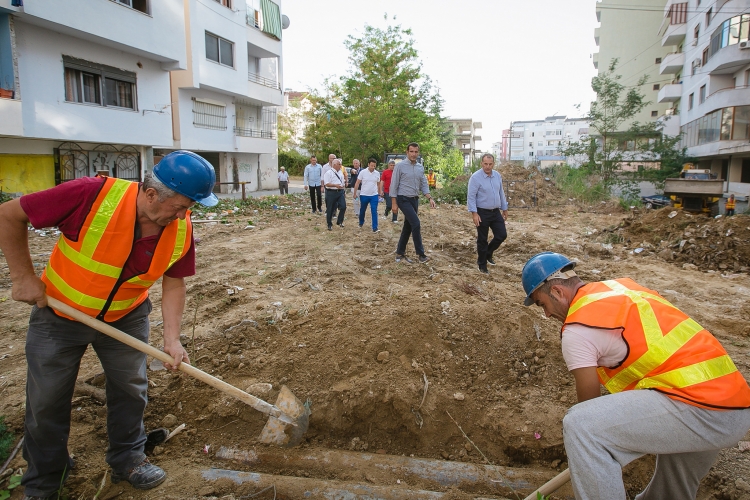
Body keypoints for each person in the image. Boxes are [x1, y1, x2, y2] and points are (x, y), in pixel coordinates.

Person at [0, 151, 219, 499]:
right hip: (59, 315)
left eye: (189, 207)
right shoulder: (90, 195)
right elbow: (10, 215)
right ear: (151, 195)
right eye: (180, 206)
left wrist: (172, 339)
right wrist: (23, 275)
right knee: (46, 401)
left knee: (131, 389)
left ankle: (128, 458)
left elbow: (174, 282)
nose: (183, 214)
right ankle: (44, 480)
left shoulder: (181, 227)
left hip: (125, 316)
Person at [521, 252, 750, 500]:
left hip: (702, 410)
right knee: (668, 494)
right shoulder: (619, 288)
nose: (545, 314)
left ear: (557, 292)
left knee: (581, 426)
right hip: (732, 403)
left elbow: (589, 409)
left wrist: (589, 453)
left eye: (542, 304)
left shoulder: (577, 329)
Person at [390, 143, 436, 264]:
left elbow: (423, 184)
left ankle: (400, 253)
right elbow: (393, 185)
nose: (414, 154)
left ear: (418, 153)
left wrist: (430, 198)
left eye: (416, 152)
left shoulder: (420, 167)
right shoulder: (400, 166)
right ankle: (421, 254)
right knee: (416, 223)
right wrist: (394, 203)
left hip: (414, 200)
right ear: (407, 152)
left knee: (408, 226)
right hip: (403, 199)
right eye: (411, 151)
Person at [467, 153, 508, 274]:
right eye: (485, 164)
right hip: (482, 212)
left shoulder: (497, 176)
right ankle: (482, 265)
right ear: (481, 164)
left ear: (493, 164)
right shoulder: (475, 178)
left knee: (501, 235)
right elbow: (471, 197)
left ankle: (488, 253)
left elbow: (501, 192)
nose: (487, 167)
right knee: (482, 239)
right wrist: (474, 213)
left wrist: (504, 208)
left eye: (490, 164)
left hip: (495, 212)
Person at [353, 158, 382, 233]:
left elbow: (378, 185)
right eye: (371, 165)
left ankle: (375, 227)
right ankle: (361, 222)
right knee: (362, 210)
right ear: (368, 164)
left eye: (374, 166)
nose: (373, 167)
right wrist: (355, 193)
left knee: (374, 210)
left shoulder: (377, 173)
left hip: (374, 195)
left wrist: (379, 193)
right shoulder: (363, 172)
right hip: (364, 194)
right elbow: (357, 183)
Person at [323, 158, 347, 230]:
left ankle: (339, 221)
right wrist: (335, 185)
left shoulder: (340, 172)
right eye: (339, 164)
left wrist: (343, 190)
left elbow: (342, 183)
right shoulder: (328, 173)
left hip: (340, 192)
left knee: (343, 206)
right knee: (330, 209)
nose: (340, 165)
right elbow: (326, 184)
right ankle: (329, 224)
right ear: (334, 165)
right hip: (331, 192)